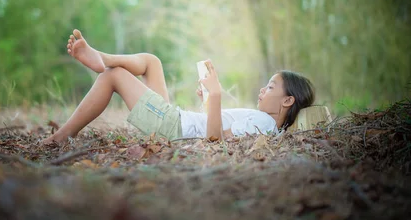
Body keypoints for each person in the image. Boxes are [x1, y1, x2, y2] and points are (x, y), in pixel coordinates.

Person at [43, 29, 315, 144]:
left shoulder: (265, 125)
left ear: (288, 100)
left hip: (173, 128)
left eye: (270, 87)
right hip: (178, 122)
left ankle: (61, 136)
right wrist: (208, 103)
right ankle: (102, 57)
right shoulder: (265, 125)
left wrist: (217, 94)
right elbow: (216, 131)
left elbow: (214, 140)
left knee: (113, 76)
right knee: (152, 62)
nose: (262, 90)